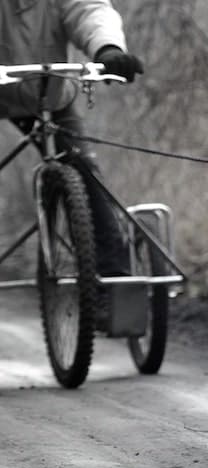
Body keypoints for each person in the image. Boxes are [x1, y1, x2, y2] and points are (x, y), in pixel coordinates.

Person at [0, 0, 143, 276]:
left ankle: (112, 285)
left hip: (47, 95)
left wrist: (107, 48)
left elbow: (87, 9)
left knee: (84, 172)